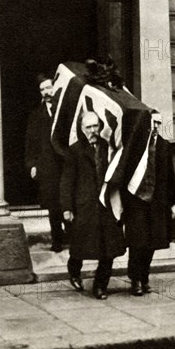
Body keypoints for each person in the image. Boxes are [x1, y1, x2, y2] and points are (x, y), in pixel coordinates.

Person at [60, 111, 126, 300]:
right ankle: (74, 271)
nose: (92, 130)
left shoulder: (109, 148)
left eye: (95, 126)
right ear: (82, 129)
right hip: (84, 207)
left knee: (109, 250)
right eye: (88, 127)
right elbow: (67, 181)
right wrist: (67, 208)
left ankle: (100, 286)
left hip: (106, 206)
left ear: (100, 126)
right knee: (79, 247)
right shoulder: (74, 151)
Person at [123, 111, 175, 296]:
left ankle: (145, 277)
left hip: (157, 202)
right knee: (137, 242)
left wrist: (173, 202)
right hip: (137, 202)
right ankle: (135, 280)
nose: (155, 127)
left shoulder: (164, 145)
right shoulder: (135, 145)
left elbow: (170, 175)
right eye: (153, 122)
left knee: (152, 243)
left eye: (159, 123)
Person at [25, 74, 64, 252]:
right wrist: (32, 164)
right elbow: (31, 142)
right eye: (42, 90)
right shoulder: (36, 115)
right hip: (48, 166)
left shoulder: (65, 110)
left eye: (49, 88)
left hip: (65, 164)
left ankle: (73, 236)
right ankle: (57, 240)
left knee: (69, 201)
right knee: (53, 205)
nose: (46, 92)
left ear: (55, 87)